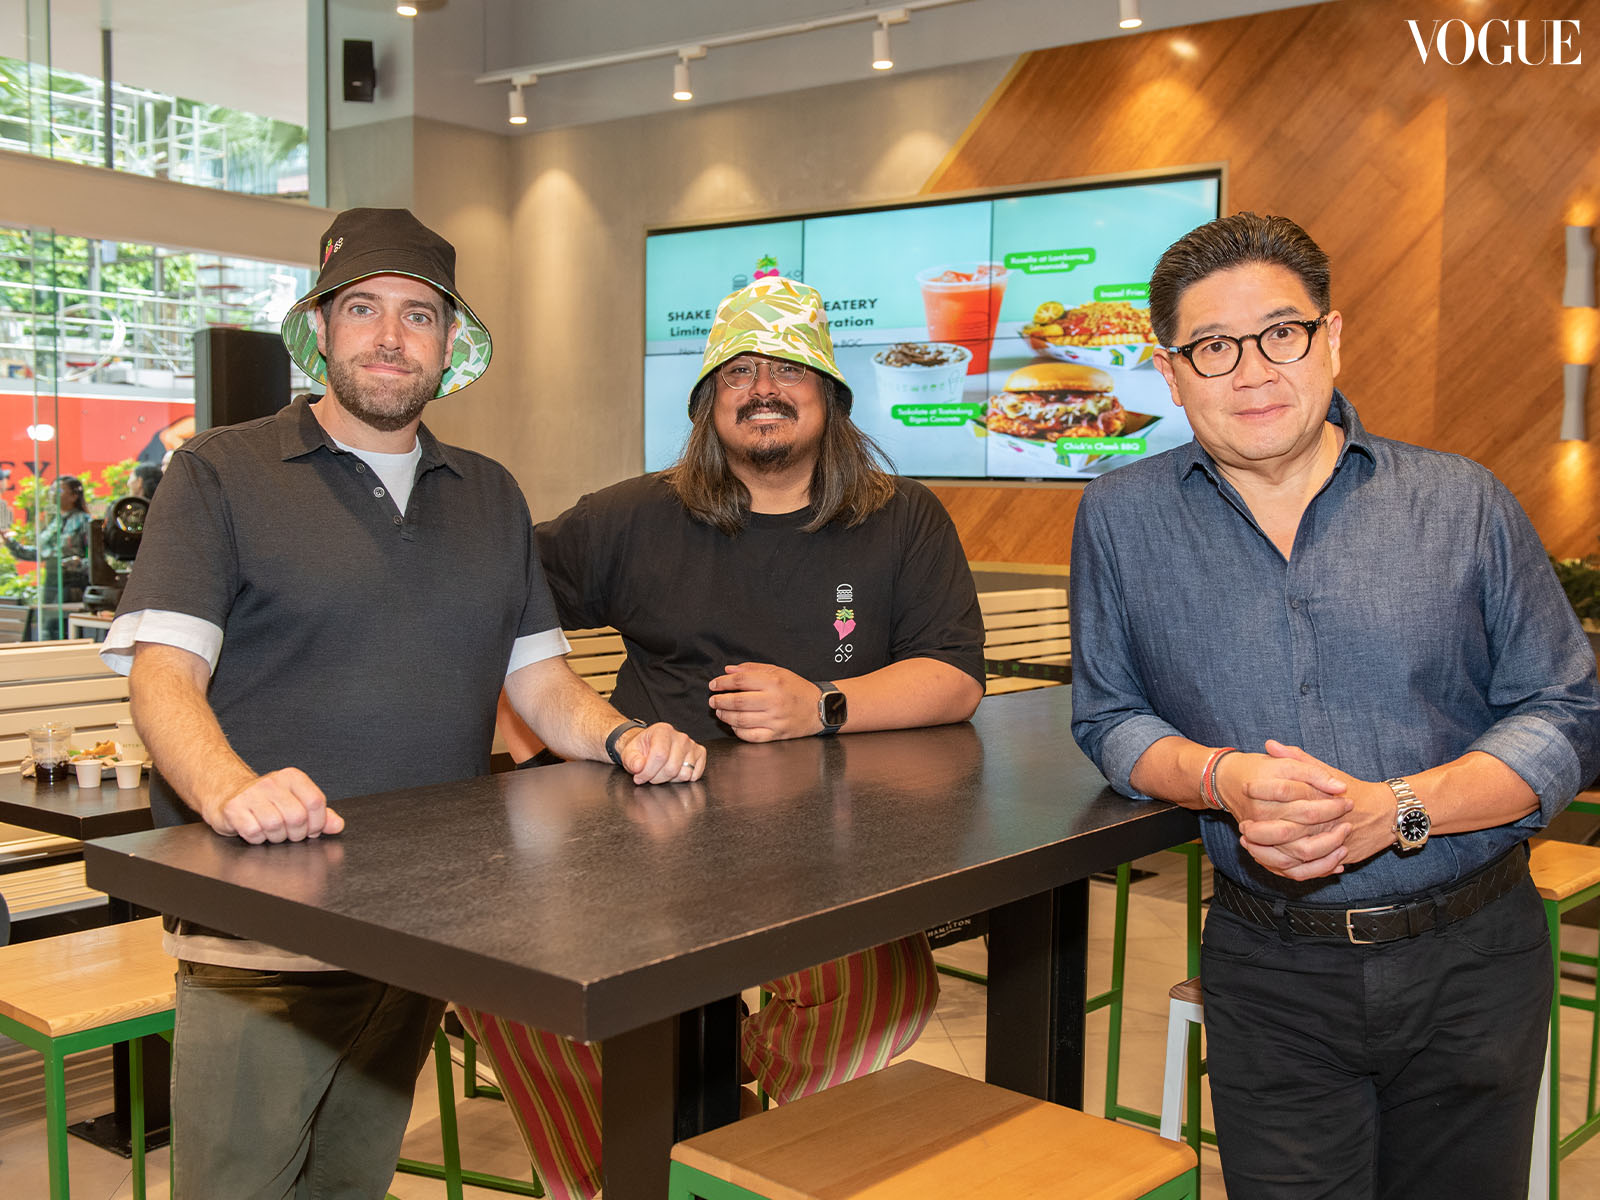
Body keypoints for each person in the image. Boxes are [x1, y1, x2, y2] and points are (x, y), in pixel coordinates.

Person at [98, 207, 704, 1200]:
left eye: (419, 315)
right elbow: (165, 674)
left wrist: (627, 738)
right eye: (364, 310)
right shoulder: (220, 474)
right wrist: (232, 791)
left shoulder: (491, 496)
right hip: (266, 933)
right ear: (322, 331)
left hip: (426, 927)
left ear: (450, 345)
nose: (390, 337)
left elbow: (543, 688)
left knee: (351, 1184)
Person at [1070, 212, 1600, 1199]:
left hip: (1472, 959)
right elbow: (1108, 715)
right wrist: (1220, 777)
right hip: (1269, 969)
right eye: (1212, 347)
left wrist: (1396, 808)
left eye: (1282, 332)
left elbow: (1566, 710)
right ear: (1168, 368)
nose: (1253, 370)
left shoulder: (1461, 503)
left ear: (1332, 337)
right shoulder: (1118, 519)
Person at [460, 276, 987, 1200]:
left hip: (830, 851)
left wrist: (821, 704)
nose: (763, 388)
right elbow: (491, 606)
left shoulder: (902, 519)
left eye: (788, 369)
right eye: (738, 372)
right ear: (708, 404)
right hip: (632, 841)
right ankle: (631, 1173)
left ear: (830, 396)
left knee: (887, 996)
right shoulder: (631, 517)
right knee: (517, 993)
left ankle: (718, 1103)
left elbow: (954, 674)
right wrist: (545, 737)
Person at [4, 475, 92, 635]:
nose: (52, 493)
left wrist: (78, 564)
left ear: (74, 496)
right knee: (48, 629)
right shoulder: (55, 522)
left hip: (72, 586)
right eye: (51, 489)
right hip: (51, 583)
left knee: (65, 629)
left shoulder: (85, 521)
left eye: (58, 490)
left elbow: (95, 559)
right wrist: (12, 544)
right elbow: (42, 553)